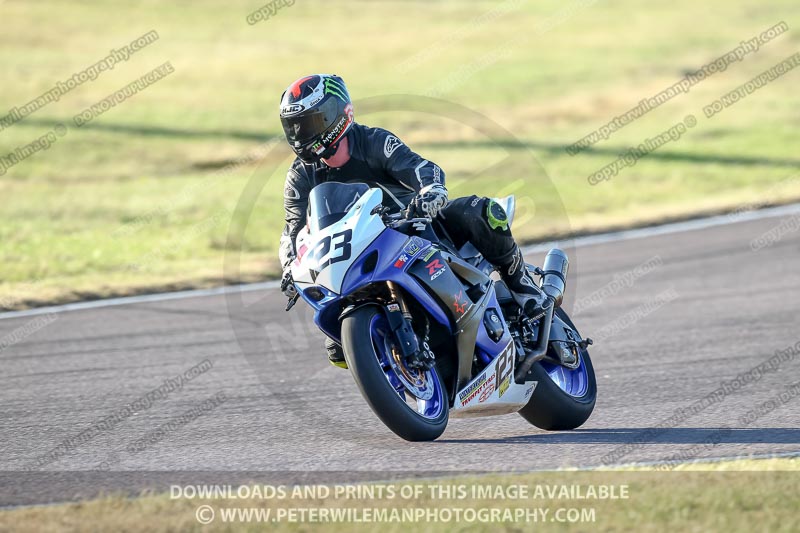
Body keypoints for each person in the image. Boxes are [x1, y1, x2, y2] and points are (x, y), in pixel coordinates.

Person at [277, 74, 545, 367]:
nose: (300, 134)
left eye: (309, 123)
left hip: (414, 228)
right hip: (357, 254)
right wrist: (290, 267)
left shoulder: (374, 141)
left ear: (338, 115)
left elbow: (421, 168)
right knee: (337, 347)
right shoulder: (300, 176)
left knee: (479, 211)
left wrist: (431, 191)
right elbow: (293, 231)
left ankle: (523, 287)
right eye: (293, 126)